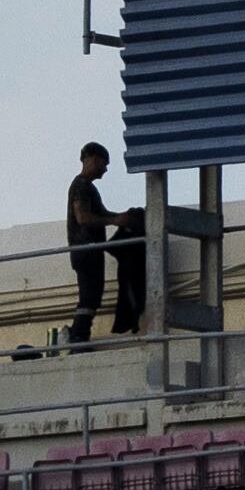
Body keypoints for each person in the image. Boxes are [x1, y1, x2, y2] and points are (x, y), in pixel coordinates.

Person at [63, 143, 146, 344]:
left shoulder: (88, 188)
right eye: (104, 163)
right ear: (92, 158)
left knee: (93, 294)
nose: (105, 169)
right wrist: (115, 221)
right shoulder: (81, 185)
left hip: (90, 250)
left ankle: (78, 333)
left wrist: (122, 217)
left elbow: (101, 214)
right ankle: (78, 335)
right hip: (86, 250)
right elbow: (83, 217)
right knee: (90, 295)